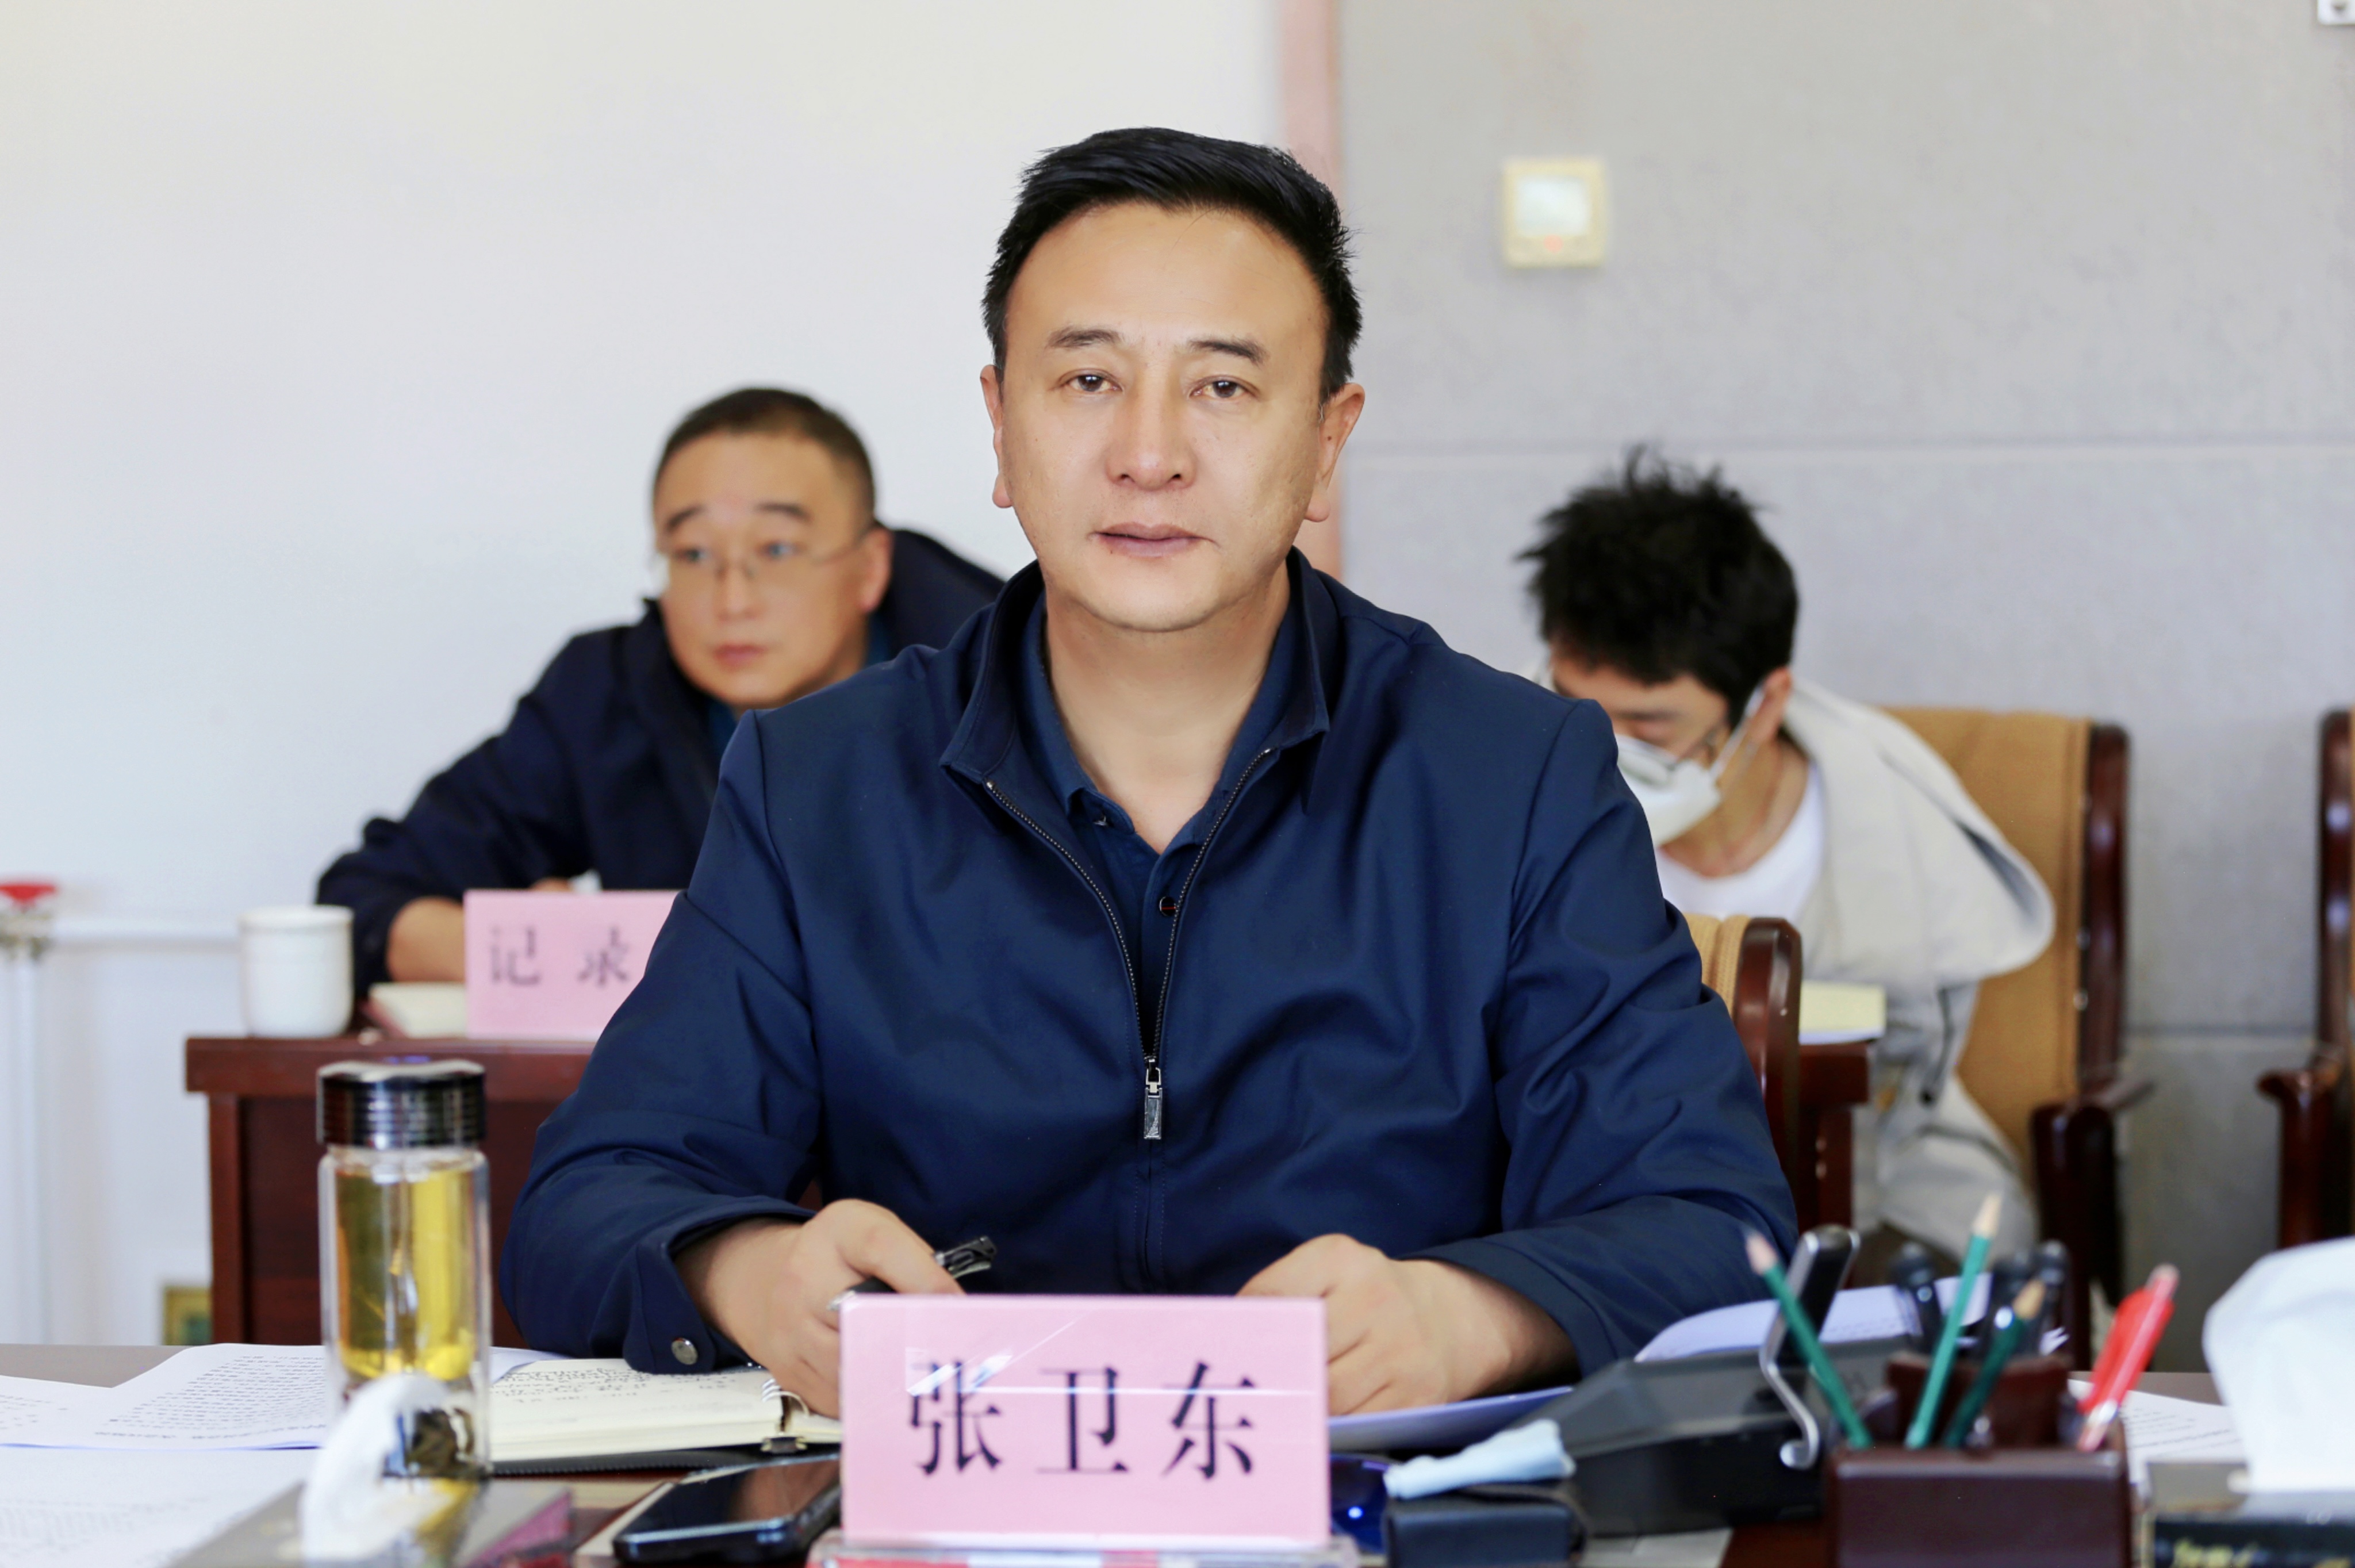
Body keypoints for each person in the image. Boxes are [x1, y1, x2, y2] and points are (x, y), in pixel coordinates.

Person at [503, 128, 1794, 1416]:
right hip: (951, 1494)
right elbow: (583, 1204)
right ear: (999, 426)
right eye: (1086, 381)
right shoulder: (817, 787)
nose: (1149, 453)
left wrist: (1468, 1318)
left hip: (1372, 1494)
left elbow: (1714, 1223)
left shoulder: (1511, 778)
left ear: (1327, 441)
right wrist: (752, 1273)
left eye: (1222, 386)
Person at [1525, 450, 2051, 1265]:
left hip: (1872, 1168)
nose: (1602, 746)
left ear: (1764, 704)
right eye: (1572, 706)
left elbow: (1907, 1074)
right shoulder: (1516, 782)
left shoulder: (1887, 818)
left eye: (1650, 727)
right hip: (1585, 1172)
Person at [317, 389, 1003, 991]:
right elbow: (363, 900)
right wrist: (536, 952)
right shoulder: (607, 694)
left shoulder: (1004, 682)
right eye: (694, 554)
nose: (732, 600)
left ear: (870, 567)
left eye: (776, 550)